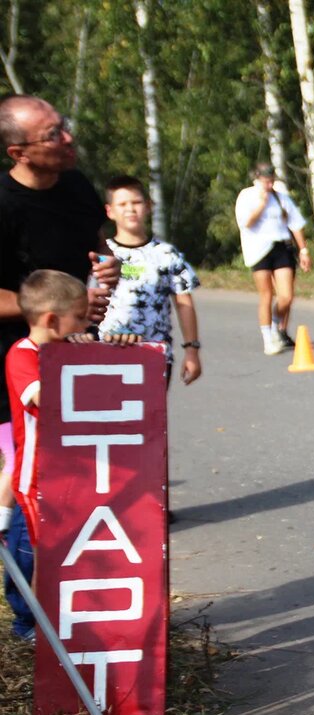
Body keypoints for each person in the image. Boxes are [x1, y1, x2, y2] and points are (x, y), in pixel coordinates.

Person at [0, 94, 118, 641]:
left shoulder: (76, 187)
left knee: (75, 487)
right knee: (27, 481)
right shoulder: (2, 202)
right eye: (53, 135)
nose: (67, 139)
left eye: (64, 128)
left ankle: (80, 602)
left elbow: (96, 249)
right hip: (14, 359)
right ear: (18, 151)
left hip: (71, 345)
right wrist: (49, 313)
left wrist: (103, 276)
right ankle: (28, 616)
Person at [4, 271, 95, 641]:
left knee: (51, 554)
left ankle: (49, 621)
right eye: (81, 316)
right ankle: (30, 625)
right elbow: (48, 398)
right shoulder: (22, 355)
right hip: (36, 481)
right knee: (36, 558)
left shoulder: (63, 350)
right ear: (53, 320)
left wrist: (105, 350)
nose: (87, 323)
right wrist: (83, 359)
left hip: (67, 477)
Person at [99, 175, 202, 385]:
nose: (130, 209)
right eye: (122, 204)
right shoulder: (102, 255)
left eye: (136, 202)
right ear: (110, 211)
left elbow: (184, 304)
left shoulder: (166, 254)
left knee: (151, 417)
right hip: (104, 351)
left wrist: (192, 350)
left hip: (154, 354)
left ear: (148, 206)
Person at [235, 163, 312, 355]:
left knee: (286, 296)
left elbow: (296, 223)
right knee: (266, 295)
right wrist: (261, 204)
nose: (269, 185)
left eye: (271, 181)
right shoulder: (247, 196)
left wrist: (303, 250)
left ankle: (276, 325)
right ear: (257, 179)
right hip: (258, 249)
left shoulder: (281, 197)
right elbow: (246, 223)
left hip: (280, 247)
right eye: (265, 181)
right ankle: (268, 339)